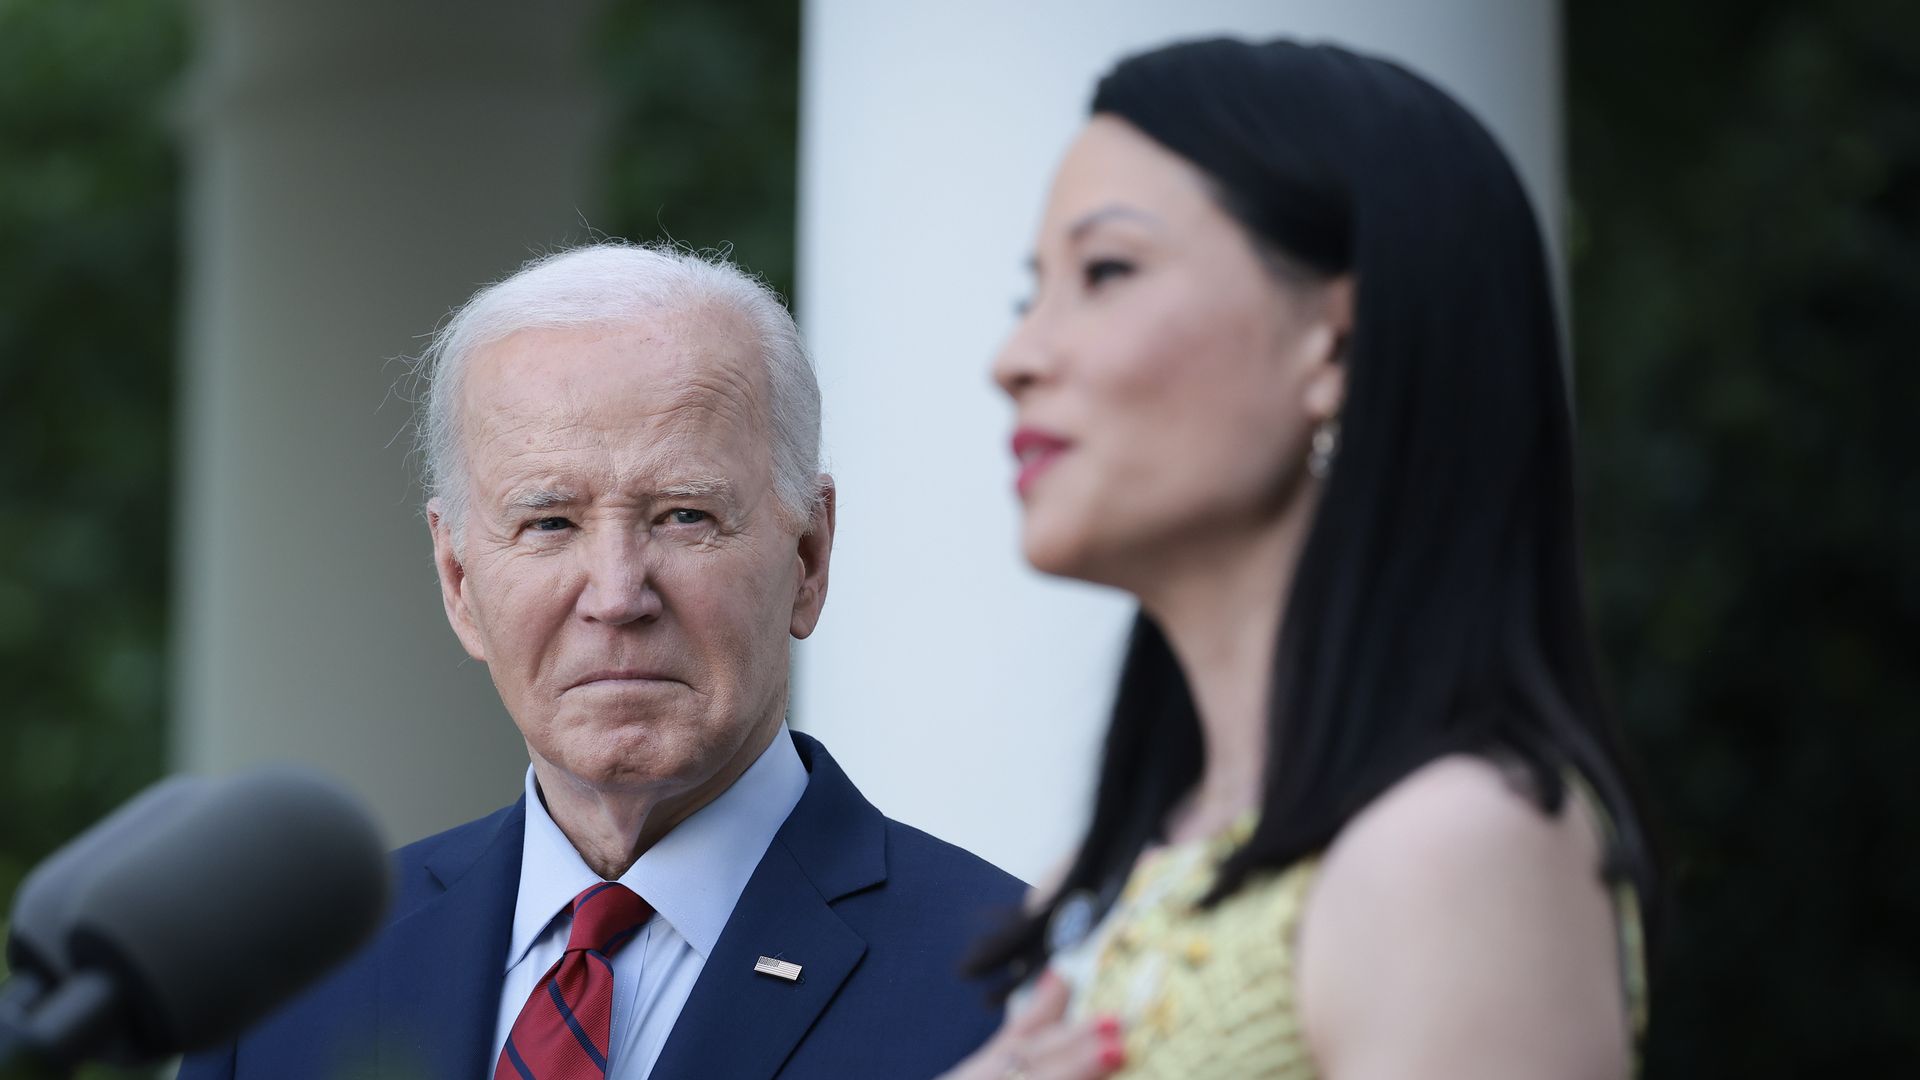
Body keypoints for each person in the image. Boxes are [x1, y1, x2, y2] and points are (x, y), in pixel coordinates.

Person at [942, 38, 1658, 1080]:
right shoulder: (1090, 893)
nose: (1016, 358)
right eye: (1030, 294)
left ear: (1333, 345)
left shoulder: (1455, 855)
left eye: (1105, 272)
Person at [176, 243, 1023, 1080]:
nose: (617, 595)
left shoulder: (1015, 992)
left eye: (684, 516)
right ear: (459, 580)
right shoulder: (283, 985)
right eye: (549, 523)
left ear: (808, 557)